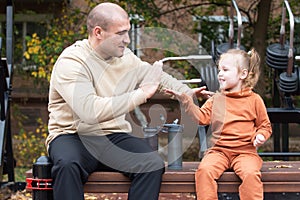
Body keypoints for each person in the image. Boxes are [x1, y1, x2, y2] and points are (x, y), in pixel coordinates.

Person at [46, 2, 209, 200]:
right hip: (72, 136)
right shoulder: (72, 62)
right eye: (120, 33)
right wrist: (141, 94)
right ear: (98, 32)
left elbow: (155, 77)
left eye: (128, 32)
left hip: (112, 136)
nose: (127, 40)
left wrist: (187, 93)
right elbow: (90, 111)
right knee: (67, 165)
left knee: (152, 165)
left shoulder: (125, 58)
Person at [165, 48, 272, 200]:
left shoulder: (254, 100)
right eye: (219, 70)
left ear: (243, 74)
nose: (220, 74)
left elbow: (265, 125)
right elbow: (201, 118)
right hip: (218, 151)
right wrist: (187, 101)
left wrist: (260, 135)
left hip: (245, 152)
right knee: (204, 171)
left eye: (225, 70)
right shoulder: (216, 99)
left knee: (251, 174)